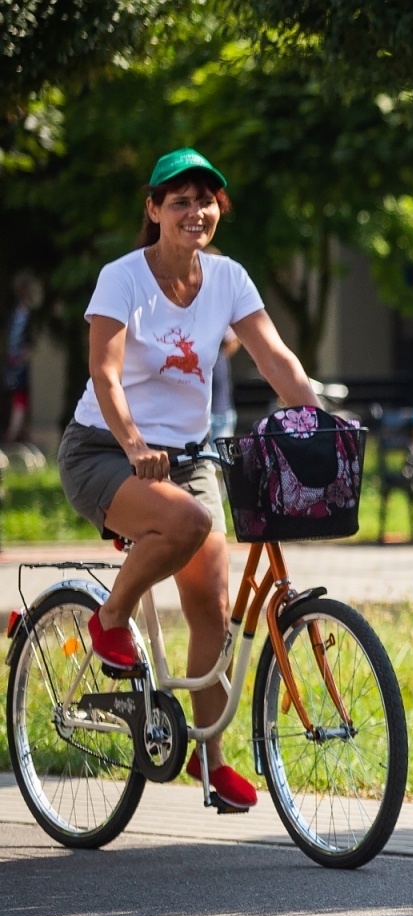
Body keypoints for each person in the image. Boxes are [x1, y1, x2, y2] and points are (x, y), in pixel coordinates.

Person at [60, 147, 321, 810]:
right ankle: (109, 619)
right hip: (103, 451)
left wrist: (317, 417)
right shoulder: (122, 279)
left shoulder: (229, 279)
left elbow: (275, 358)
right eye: (179, 201)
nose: (195, 211)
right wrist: (135, 443)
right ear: (154, 210)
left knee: (213, 609)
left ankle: (211, 760)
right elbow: (105, 374)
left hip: (189, 455)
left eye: (206, 201)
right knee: (190, 522)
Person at [5, 272, 42, 444]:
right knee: (20, 398)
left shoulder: (17, 313)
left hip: (16, 363)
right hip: (18, 364)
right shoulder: (22, 314)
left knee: (23, 398)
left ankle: (22, 435)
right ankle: (13, 435)